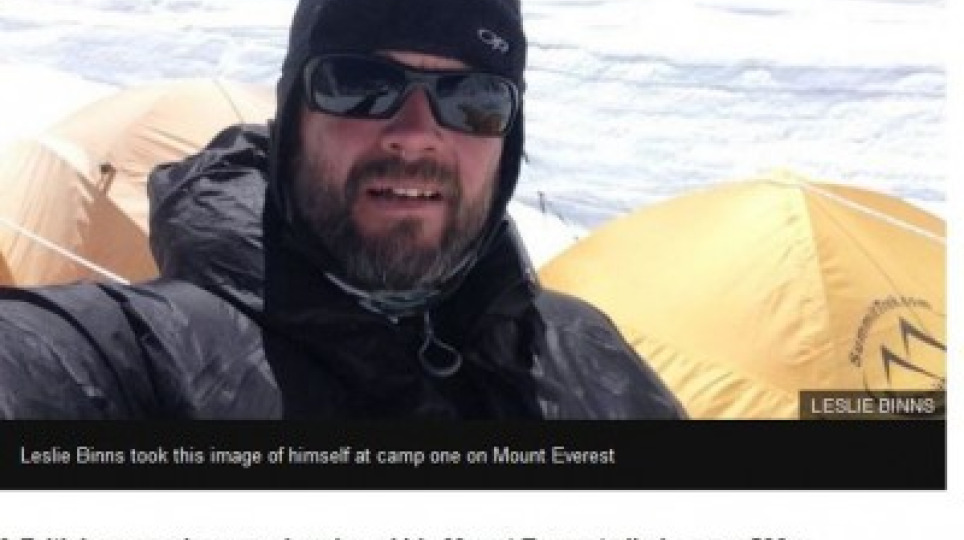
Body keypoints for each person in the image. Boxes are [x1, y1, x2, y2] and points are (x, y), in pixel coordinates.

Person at [0, 0, 686, 419]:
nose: (417, 134)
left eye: (473, 100)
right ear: (292, 122)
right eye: (360, 84)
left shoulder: (591, 356)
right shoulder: (151, 357)